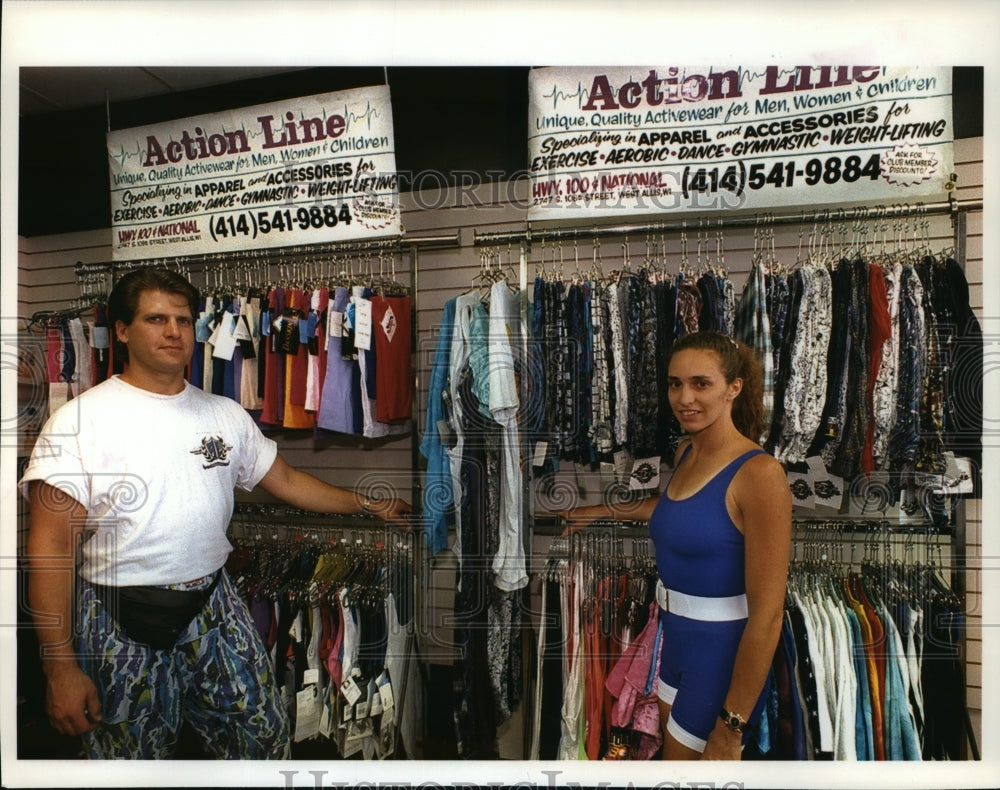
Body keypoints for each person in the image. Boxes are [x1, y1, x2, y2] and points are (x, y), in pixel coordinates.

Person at [20, 266, 410, 759]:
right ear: (121, 329)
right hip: (117, 613)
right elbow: (50, 548)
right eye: (156, 319)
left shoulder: (223, 413)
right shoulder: (79, 422)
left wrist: (368, 503)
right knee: (128, 761)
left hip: (211, 601)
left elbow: (286, 481)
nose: (173, 332)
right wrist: (59, 668)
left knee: (262, 740)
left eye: (183, 321)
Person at [560, 331, 791, 760]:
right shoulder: (687, 452)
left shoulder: (760, 475)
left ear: (733, 388)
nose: (685, 397)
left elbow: (769, 616)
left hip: (719, 655)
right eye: (675, 383)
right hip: (672, 642)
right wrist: (602, 510)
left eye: (701, 383)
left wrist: (732, 726)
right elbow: (678, 513)